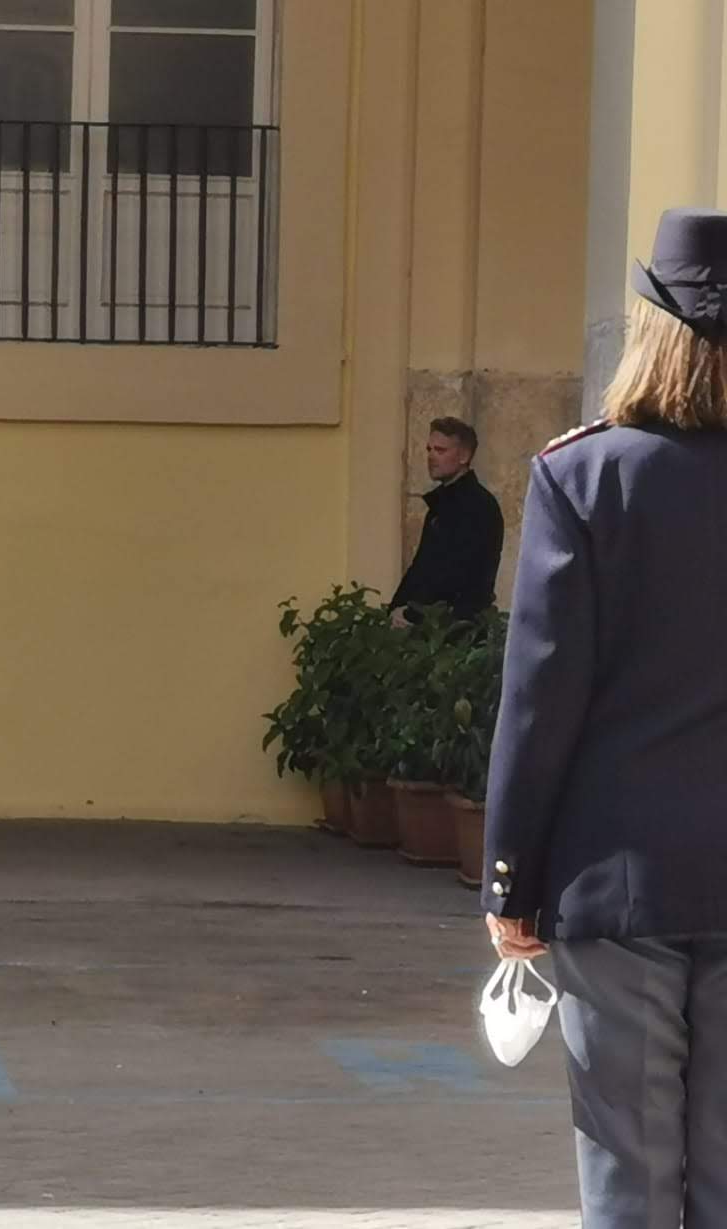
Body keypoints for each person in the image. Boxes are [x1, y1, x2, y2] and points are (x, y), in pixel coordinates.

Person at [484, 207, 727, 1226]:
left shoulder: (583, 474)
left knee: (629, 1172)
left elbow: (541, 697)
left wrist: (512, 877)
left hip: (616, 878)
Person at [389, 417, 503, 623]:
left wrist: (410, 614)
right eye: (429, 449)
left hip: (454, 627)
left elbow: (459, 574)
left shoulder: (478, 506)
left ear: (464, 456)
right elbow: (421, 566)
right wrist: (395, 609)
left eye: (440, 450)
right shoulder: (441, 504)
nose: (431, 456)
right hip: (428, 622)